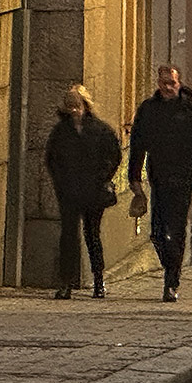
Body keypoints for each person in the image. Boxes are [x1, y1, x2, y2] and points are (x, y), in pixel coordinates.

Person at [128, 65, 192, 303]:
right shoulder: (148, 110)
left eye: (172, 83)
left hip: (184, 177)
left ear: (179, 83)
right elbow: (137, 144)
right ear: (158, 83)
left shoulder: (191, 113)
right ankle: (170, 265)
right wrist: (134, 177)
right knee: (156, 232)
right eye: (164, 83)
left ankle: (171, 281)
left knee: (175, 230)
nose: (168, 87)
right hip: (158, 177)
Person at [45, 83, 121, 300]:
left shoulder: (100, 130)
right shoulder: (60, 132)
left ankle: (98, 280)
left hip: (93, 190)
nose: (74, 110)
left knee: (92, 234)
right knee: (68, 235)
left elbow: (113, 155)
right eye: (70, 106)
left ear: (86, 105)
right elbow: (52, 160)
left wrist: (103, 177)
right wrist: (60, 182)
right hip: (68, 191)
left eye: (77, 105)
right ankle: (66, 282)